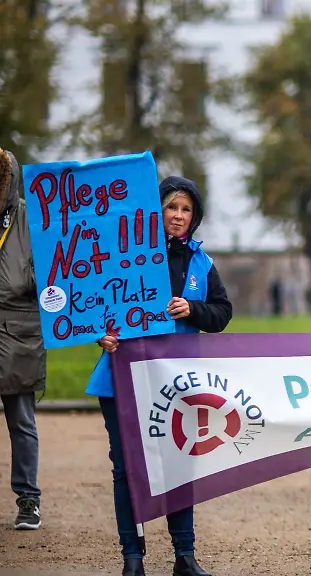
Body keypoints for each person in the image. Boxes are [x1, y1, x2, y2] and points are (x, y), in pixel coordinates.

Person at [87, 176, 233, 576]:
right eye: (172, 207)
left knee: (179, 464)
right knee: (126, 465)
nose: (179, 216)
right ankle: (132, 558)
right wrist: (102, 336)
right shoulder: (126, 254)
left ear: (195, 217)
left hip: (177, 383)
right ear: (157, 210)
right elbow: (94, 306)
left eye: (187, 210)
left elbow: (222, 313)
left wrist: (194, 309)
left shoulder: (202, 262)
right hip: (122, 376)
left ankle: (184, 556)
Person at [0, 147, 45, 531]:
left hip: (20, 331)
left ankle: (28, 499)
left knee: (22, 421)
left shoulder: (31, 219)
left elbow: (53, 273)